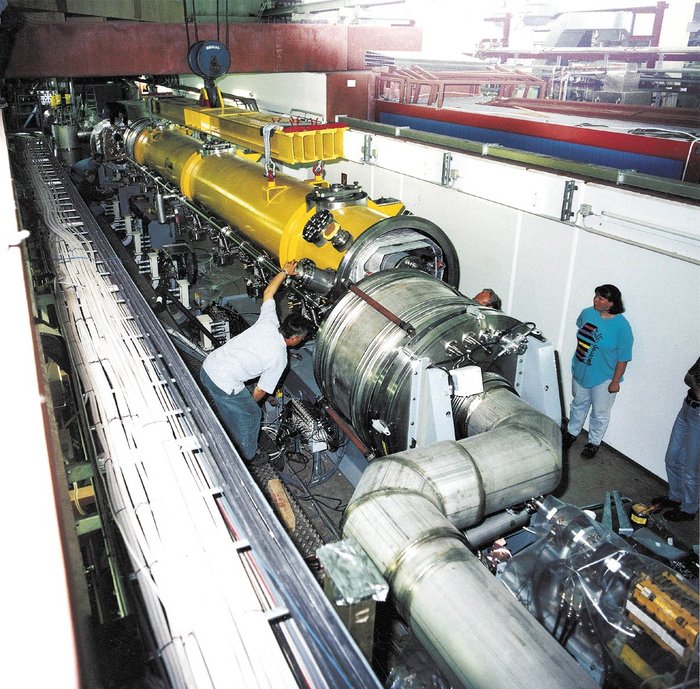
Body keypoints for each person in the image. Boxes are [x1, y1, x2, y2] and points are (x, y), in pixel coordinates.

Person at [199, 260, 309, 462]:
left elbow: (268, 292)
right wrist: (248, 404)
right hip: (223, 382)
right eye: (301, 338)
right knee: (250, 414)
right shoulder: (279, 358)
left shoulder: (269, 321)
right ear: (294, 339)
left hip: (207, 367)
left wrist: (285, 271)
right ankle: (248, 456)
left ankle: (227, 431)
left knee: (230, 407)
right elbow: (259, 392)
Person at [562, 284, 633, 459]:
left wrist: (615, 381)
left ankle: (593, 442)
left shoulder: (622, 327)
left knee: (599, 413)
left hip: (604, 378)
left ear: (611, 303)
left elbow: (623, 358)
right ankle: (572, 432)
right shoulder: (587, 313)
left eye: (601, 298)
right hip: (581, 370)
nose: (595, 300)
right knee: (578, 404)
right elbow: (581, 332)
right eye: (595, 296)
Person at [652, 357, 700, 522]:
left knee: (691, 468)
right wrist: (696, 388)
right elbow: (689, 377)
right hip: (687, 408)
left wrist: (695, 385)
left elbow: (692, 379)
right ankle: (675, 497)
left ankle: (689, 509)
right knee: (672, 457)